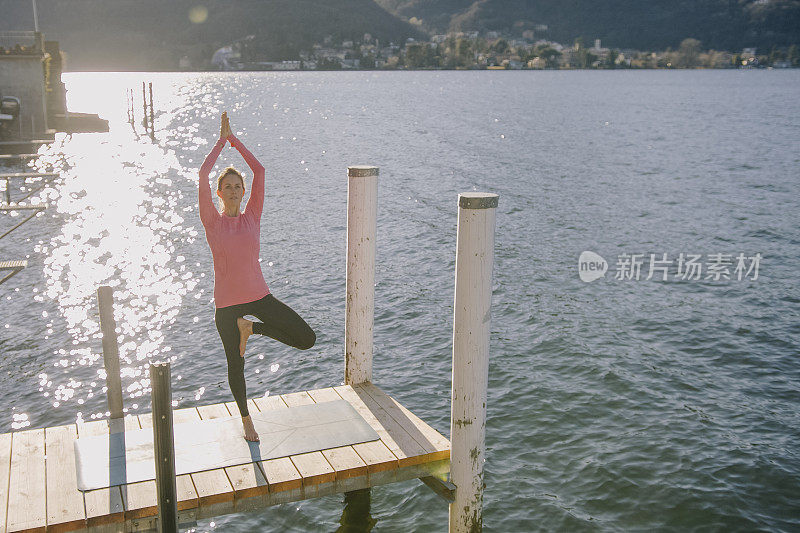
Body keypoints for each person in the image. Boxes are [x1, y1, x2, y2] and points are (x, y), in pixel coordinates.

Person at [198, 112, 316, 441]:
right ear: (219, 193)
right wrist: (221, 142)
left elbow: (260, 170)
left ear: (244, 191)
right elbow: (203, 172)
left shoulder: (253, 215)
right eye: (227, 187)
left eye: (238, 186)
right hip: (226, 306)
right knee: (235, 365)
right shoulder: (212, 221)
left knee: (307, 339)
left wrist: (236, 140)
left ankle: (251, 329)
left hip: (259, 297)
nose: (233, 190)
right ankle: (247, 419)